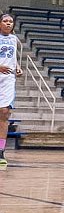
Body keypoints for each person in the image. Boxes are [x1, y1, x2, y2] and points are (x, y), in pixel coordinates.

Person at [0, 13, 22, 167]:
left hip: (8, 79)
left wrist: (18, 67)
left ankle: (1, 150)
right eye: (5, 21)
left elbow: (13, 58)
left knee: (4, 113)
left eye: (11, 22)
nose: (8, 23)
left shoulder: (14, 39)